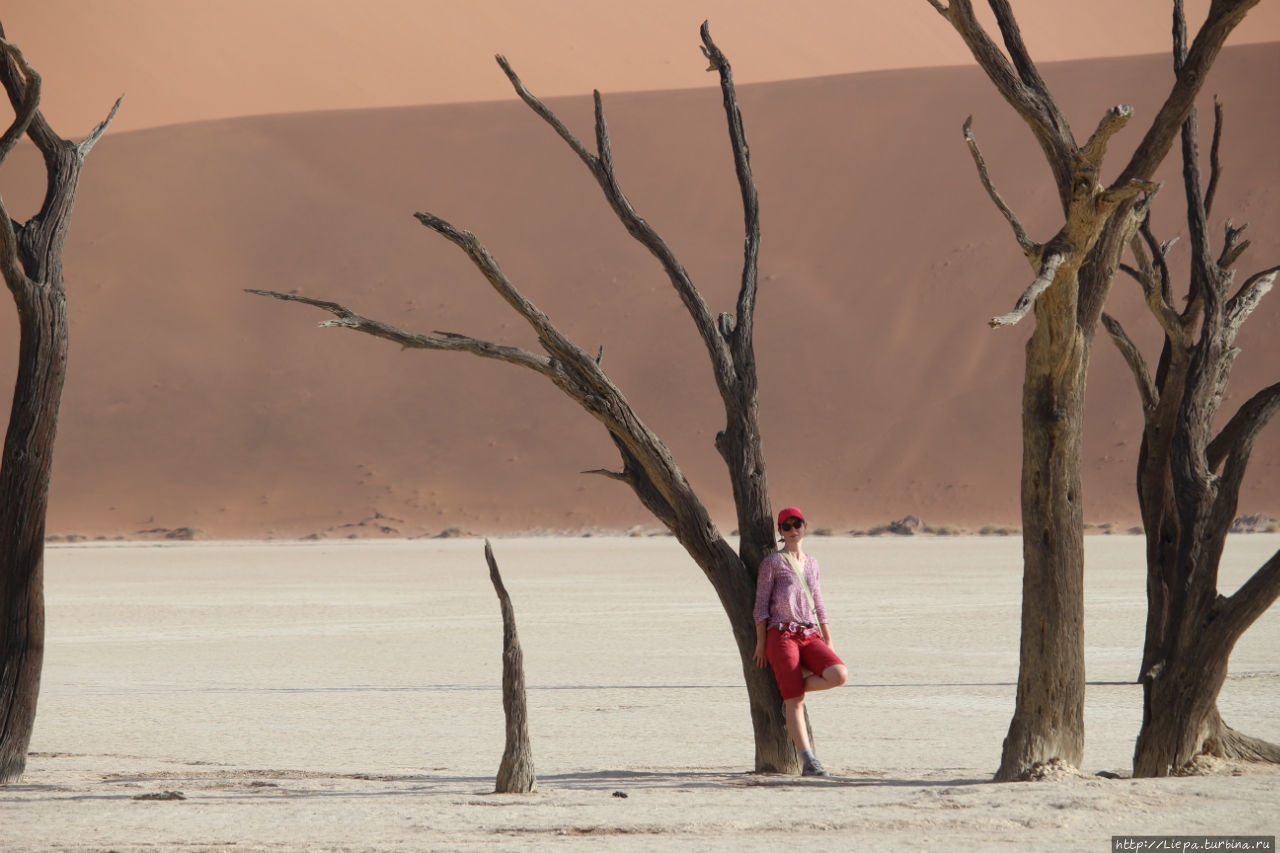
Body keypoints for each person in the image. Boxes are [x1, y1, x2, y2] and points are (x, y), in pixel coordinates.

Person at [753, 506, 848, 776]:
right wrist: (761, 643)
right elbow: (760, 606)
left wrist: (828, 638)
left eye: (797, 525)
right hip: (780, 634)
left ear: (805, 526)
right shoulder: (772, 562)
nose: (793, 530)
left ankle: (791, 686)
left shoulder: (813, 563)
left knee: (839, 674)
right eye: (787, 526)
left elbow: (818, 601)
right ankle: (809, 761)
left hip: (809, 633)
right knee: (795, 702)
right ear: (780, 532)